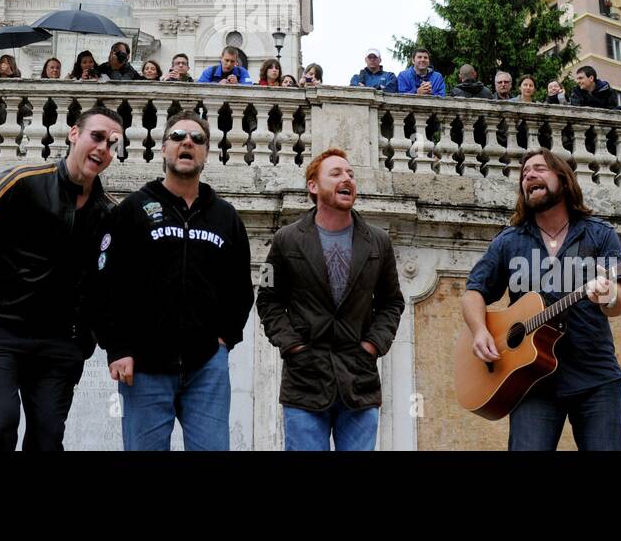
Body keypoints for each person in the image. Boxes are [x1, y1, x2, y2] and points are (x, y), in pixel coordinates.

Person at [0, 105, 124, 451]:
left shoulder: (108, 212)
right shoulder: (20, 182)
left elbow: (107, 285)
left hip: (59, 345)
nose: (103, 148)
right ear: (75, 134)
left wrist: (86, 339)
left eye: (112, 143)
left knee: (47, 439)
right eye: (97, 137)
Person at [93, 111, 253, 451]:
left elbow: (240, 286)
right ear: (164, 148)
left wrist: (226, 338)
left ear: (206, 153)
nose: (187, 143)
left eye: (197, 139)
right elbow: (107, 286)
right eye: (178, 136)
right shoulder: (132, 210)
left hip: (207, 366)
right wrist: (118, 348)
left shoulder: (225, 216)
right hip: (144, 366)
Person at [461, 148, 621, 450]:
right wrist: (479, 331)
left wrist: (608, 295)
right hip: (533, 382)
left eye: (539, 169)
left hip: (596, 378)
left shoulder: (599, 234)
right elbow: (474, 291)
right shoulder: (509, 241)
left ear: (563, 180)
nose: (529, 175)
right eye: (525, 174)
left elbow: (617, 304)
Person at [256, 148, 405, 451]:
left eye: (350, 174)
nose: (347, 178)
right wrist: (293, 346)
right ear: (313, 186)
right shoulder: (286, 239)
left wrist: (372, 346)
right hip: (304, 382)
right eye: (336, 173)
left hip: (359, 381)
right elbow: (268, 299)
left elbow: (392, 302)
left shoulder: (378, 241)